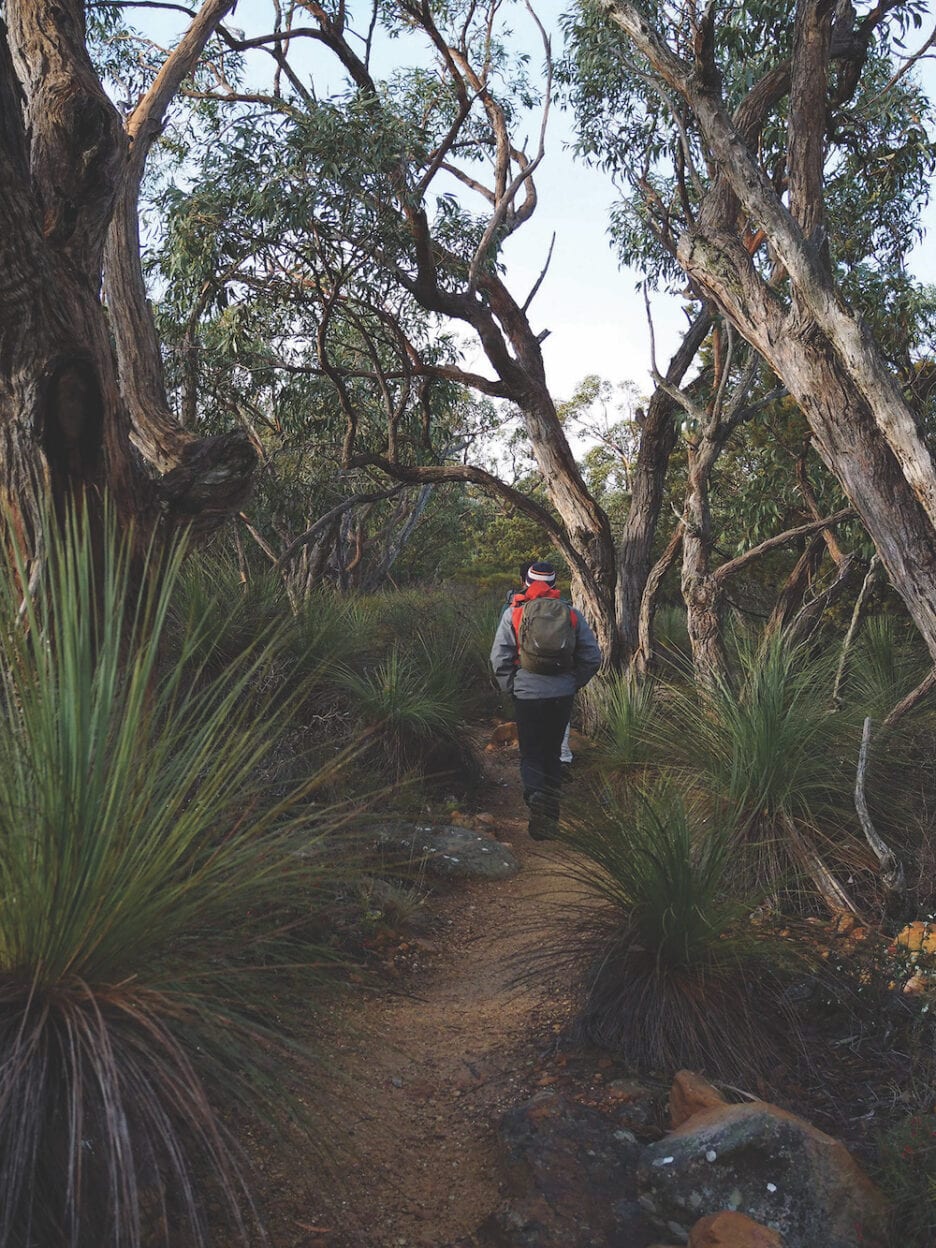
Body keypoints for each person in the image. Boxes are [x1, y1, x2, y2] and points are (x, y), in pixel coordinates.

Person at [490, 560, 602, 838]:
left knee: (531, 753)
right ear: (554, 585)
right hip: (561, 694)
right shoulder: (572, 614)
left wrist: (513, 687)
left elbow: (498, 658)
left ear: (526, 583)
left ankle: (536, 795)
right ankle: (549, 820)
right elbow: (592, 657)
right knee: (552, 754)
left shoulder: (514, 614)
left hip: (527, 695)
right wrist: (573, 683)